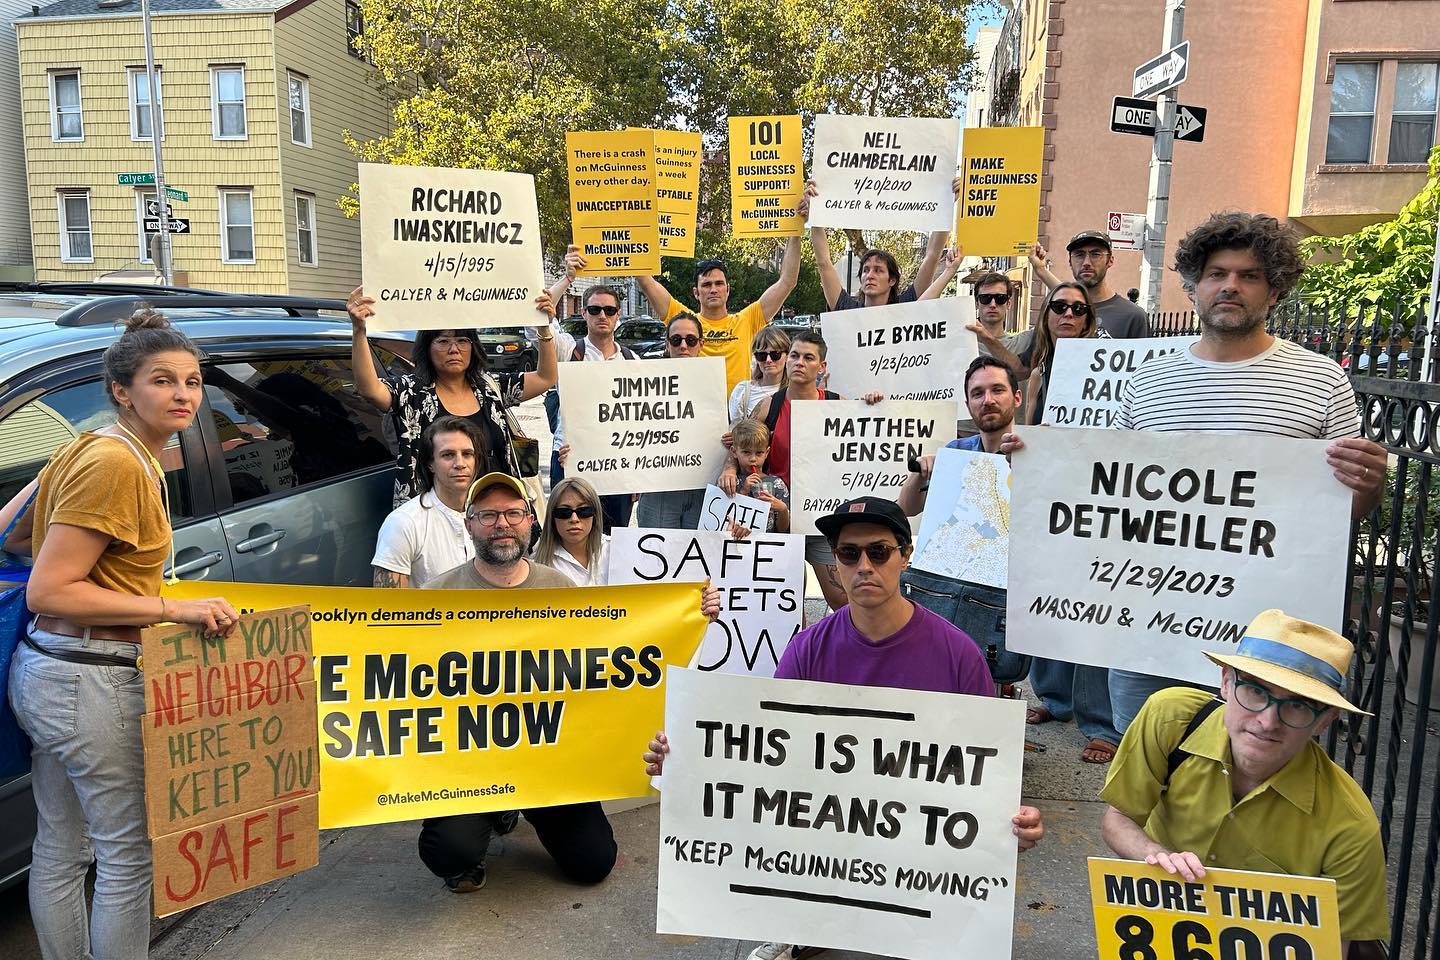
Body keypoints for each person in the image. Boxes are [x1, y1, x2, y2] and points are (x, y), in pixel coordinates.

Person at [1002, 212, 1389, 734]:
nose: (1230, 286)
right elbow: (1112, 495)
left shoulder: (1320, 380)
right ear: (1193, 287)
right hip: (1149, 626)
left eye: (1249, 276)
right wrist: (1040, 463)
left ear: (1274, 291)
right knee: (1148, 761)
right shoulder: (1148, 380)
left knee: (1254, 767)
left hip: (1266, 641)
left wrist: (1369, 486)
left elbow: (1341, 513)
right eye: (1217, 274)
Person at [644, 496, 1046, 960]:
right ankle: (800, 923)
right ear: (835, 563)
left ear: (906, 555)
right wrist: (685, 762)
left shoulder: (959, 656)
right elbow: (764, 754)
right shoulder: (807, 649)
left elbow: (985, 773)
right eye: (849, 554)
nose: (864, 566)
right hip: (828, 830)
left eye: (879, 552)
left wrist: (1010, 823)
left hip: (917, 844)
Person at [6, 308, 239, 960]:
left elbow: (12, 534)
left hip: (50, 670)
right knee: (127, 854)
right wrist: (173, 609)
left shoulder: (90, 447)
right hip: (91, 679)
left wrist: (65, 516)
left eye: (192, 382)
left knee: (61, 847)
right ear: (122, 391)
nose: (183, 394)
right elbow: (48, 589)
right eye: (162, 381)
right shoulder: (118, 464)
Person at [419, 472, 719, 893]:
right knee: (450, 852)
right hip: (473, 766)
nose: (502, 524)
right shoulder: (434, 597)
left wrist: (689, 612)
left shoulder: (561, 589)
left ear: (529, 520)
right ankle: (492, 816)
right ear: (469, 524)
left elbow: (614, 652)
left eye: (513, 513)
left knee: (594, 862)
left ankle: (520, 808)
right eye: (488, 515)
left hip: (551, 763)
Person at [1099, 609, 1388, 951]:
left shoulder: (1351, 825)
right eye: (1254, 690)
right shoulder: (1170, 720)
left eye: (1298, 706)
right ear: (1225, 682)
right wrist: (1155, 855)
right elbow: (1118, 818)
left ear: (1325, 720)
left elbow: (1334, 945)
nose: (1268, 721)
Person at [346, 287, 559, 507]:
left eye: (462, 341)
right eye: (443, 341)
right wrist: (359, 331)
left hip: (491, 515)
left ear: (473, 348)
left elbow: (546, 377)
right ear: (427, 348)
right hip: (431, 515)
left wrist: (543, 329)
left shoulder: (489, 387)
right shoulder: (411, 392)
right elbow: (369, 389)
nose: (454, 349)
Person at [719, 330, 882, 611]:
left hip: (820, 514)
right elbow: (743, 445)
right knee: (784, 602)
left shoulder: (837, 403)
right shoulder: (769, 406)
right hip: (776, 515)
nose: (799, 363)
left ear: (821, 366)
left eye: (808, 358)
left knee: (842, 599)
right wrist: (729, 469)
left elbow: (867, 439)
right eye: (794, 355)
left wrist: (873, 405)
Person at [636, 219, 803, 393]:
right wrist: (636, 222)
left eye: (719, 283)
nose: (713, 289)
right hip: (696, 406)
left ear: (728, 289)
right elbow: (646, 281)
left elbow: (787, 282)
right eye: (706, 285)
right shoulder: (685, 324)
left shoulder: (747, 320)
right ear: (696, 292)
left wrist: (796, 228)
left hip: (738, 408)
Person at [544, 265, 640, 531]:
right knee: (569, 537)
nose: (602, 315)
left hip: (619, 467)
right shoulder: (568, 351)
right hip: (570, 461)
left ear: (618, 315)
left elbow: (639, 421)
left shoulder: (632, 360)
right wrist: (568, 278)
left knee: (612, 540)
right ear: (584, 313)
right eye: (595, 309)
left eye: (609, 310)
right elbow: (537, 321)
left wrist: (638, 475)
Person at [807, 178, 964, 309]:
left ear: (892, 280)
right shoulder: (847, 309)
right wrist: (815, 214)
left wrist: (947, 205)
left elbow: (932, 256)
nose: (870, 275)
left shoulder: (907, 305)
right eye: (866, 270)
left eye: (878, 270)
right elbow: (824, 263)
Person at [370, 416, 482, 588]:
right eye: (448, 455)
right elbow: (387, 603)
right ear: (430, 464)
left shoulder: (492, 516)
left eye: (467, 454)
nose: (460, 464)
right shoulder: (403, 523)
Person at [632, 312, 714, 530]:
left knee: (698, 551)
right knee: (657, 551)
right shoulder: (643, 381)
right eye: (676, 340)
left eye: (691, 340)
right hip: (659, 489)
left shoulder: (715, 382)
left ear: (701, 344)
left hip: (702, 488)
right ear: (667, 344)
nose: (683, 346)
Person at [1029, 232, 1149, 338]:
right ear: (1070, 261)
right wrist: (1040, 269)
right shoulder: (1057, 311)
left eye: (1095, 254)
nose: (1086, 262)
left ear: (1110, 260)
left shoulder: (1133, 317)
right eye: (1079, 254)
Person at [1021, 281, 1107, 426]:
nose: (1068, 314)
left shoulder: (1103, 374)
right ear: (1046, 316)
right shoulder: (1039, 375)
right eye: (1059, 306)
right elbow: (1028, 432)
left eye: (1078, 308)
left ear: (1086, 321)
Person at [534, 476, 610, 586]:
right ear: (552, 517)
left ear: (595, 514)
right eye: (564, 512)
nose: (574, 519)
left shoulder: (615, 550)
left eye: (584, 510)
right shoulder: (536, 564)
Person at [728, 418, 790, 533]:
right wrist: (743, 491)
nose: (753, 459)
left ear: (767, 453)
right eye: (746, 452)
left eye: (759, 453)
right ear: (734, 452)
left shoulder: (776, 484)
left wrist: (782, 509)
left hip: (766, 543)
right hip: (737, 542)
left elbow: (782, 529)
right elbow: (724, 517)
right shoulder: (731, 482)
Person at [729, 327, 792, 422]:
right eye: (761, 356)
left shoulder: (795, 391)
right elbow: (736, 428)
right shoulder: (743, 391)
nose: (768, 360)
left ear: (787, 356)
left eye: (775, 355)